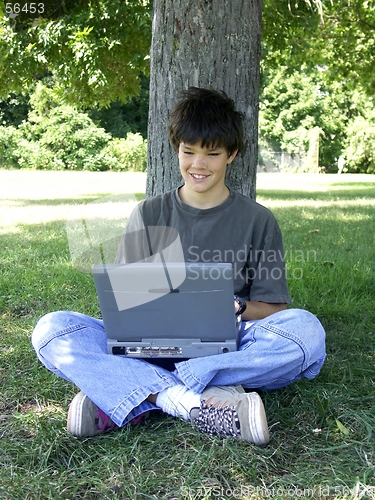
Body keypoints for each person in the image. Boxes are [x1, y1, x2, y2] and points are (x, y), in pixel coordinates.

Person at [31, 87, 326, 445]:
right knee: (53, 330)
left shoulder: (258, 220)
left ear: (231, 154)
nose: (198, 165)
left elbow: (276, 309)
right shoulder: (148, 213)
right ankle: (194, 401)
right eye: (189, 152)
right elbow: (126, 303)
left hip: (228, 344)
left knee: (306, 332)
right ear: (177, 149)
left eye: (212, 154)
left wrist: (236, 307)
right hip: (152, 345)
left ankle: (128, 394)